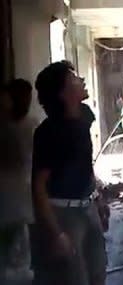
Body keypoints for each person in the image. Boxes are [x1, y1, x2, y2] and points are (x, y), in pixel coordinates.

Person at [31, 60, 109, 285]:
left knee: (98, 272)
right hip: (63, 215)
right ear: (63, 93)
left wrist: (98, 197)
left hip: (88, 207)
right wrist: (55, 233)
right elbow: (39, 187)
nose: (82, 80)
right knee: (74, 278)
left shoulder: (84, 116)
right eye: (74, 78)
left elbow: (84, 164)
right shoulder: (48, 133)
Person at [0, 79, 36, 283]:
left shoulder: (25, 125)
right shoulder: (28, 126)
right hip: (19, 204)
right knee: (20, 261)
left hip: (19, 203)